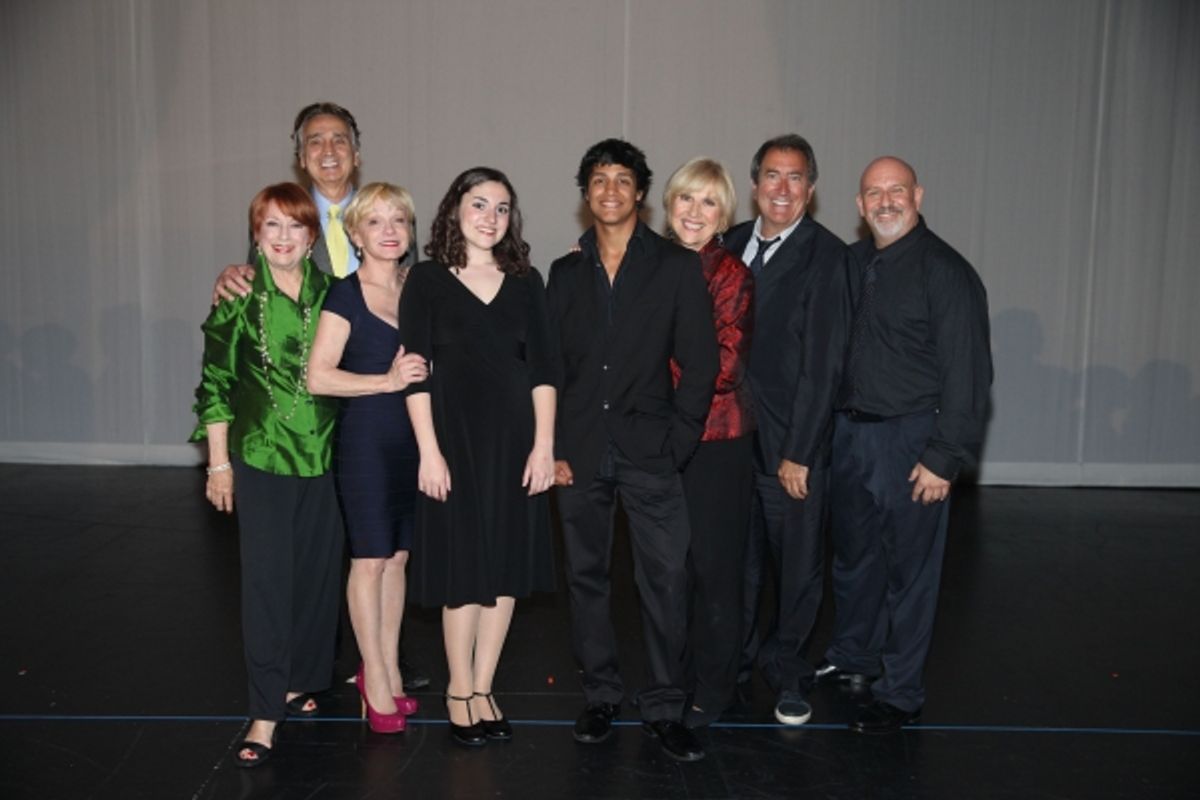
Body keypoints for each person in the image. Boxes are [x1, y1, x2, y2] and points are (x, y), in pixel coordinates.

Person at [547, 139, 718, 762]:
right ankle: (600, 696)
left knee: (666, 579)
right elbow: (551, 368)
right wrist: (553, 445)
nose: (611, 190)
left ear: (640, 193)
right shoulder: (565, 272)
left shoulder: (675, 267)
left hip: (652, 449)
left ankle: (666, 706)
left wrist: (679, 441)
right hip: (579, 451)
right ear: (585, 193)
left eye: (623, 179)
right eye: (599, 179)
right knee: (585, 578)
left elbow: (701, 364)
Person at [827, 156, 991, 734]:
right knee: (854, 557)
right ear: (859, 204)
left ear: (917, 195)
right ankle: (855, 656)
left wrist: (942, 457)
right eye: (874, 193)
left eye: (896, 190)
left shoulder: (946, 271)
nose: (886, 201)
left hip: (911, 440)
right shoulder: (851, 263)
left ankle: (900, 693)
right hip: (849, 435)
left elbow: (969, 374)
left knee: (910, 573)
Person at [399, 167, 559, 747]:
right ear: (455, 209)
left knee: (506, 567)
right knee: (463, 569)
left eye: (502, 207)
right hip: (453, 441)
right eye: (479, 204)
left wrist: (544, 446)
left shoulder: (527, 281)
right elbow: (415, 372)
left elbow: (544, 369)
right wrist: (429, 452)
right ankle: (459, 689)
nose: (490, 217)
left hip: (516, 442)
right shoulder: (426, 279)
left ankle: (486, 686)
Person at [192, 183, 342, 767]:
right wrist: (219, 463)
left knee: (317, 580)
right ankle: (264, 710)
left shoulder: (334, 294)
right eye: (271, 225)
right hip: (261, 457)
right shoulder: (237, 297)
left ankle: (300, 680)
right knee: (267, 585)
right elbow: (214, 385)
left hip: (328, 458)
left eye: (294, 226)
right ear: (256, 235)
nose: (283, 237)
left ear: (311, 237)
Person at [723, 134, 851, 726]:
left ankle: (789, 673)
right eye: (772, 175)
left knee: (796, 569)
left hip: (791, 448)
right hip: (730, 443)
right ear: (754, 185)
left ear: (811, 189)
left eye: (795, 177)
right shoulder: (728, 244)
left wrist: (800, 451)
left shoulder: (828, 257)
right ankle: (734, 668)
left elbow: (825, 366)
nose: (782, 188)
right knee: (738, 563)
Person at [306, 183, 428, 733]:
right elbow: (318, 376)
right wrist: (385, 380)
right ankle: (373, 678)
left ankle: (391, 672)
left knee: (397, 559)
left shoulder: (418, 289)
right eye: (374, 221)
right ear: (355, 234)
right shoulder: (345, 294)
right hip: (367, 443)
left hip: (413, 443)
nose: (388, 230)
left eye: (398, 220)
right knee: (369, 560)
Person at [659, 158, 755, 728]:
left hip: (717, 441)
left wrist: (648, 378)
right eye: (686, 199)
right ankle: (674, 678)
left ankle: (714, 689)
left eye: (709, 202)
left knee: (715, 569)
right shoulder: (653, 265)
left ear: (724, 215)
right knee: (670, 570)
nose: (695, 212)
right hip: (660, 441)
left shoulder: (731, 274)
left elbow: (725, 364)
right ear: (669, 205)